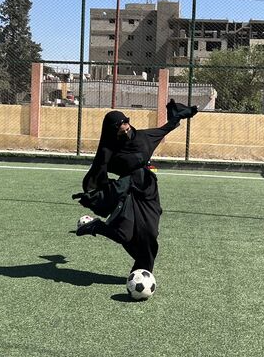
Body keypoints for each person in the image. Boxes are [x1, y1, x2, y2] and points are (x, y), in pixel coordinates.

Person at [72, 99, 197, 273]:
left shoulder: (144, 138)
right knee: (124, 234)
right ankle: (97, 227)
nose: (126, 127)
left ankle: (141, 270)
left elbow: (164, 129)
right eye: (121, 126)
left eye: (126, 123)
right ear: (112, 131)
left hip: (148, 191)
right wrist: (94, 195)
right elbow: (97, 173)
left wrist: (177, 117)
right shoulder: (109, 151)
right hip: (127, 192)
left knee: (150, 234)